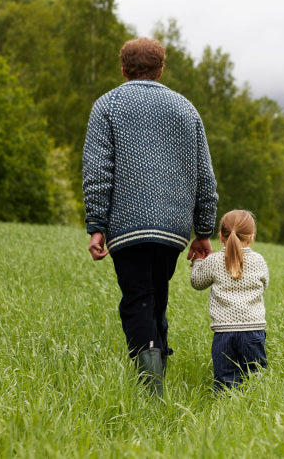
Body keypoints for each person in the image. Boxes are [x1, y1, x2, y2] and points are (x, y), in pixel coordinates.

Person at [83, 37, 218, 397]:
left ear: (123, 69)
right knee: (156, 296)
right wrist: (203, 229)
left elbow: (97, 172)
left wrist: (96, 226)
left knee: (138, 298)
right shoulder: (185, 109)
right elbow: (204, 175)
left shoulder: (106, 106)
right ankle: (158, 369)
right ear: (161, 69)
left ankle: (151, 390)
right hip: (173, 228)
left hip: (124, 226)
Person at [190, 209, 269, 392]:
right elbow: (263, 285)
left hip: (224, 334)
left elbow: (197, 282)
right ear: (250, 237)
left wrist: (198, 262)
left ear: (221, 237)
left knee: (226, 382)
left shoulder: (214, 261)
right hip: (253, 330)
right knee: (255, 378)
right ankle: (254, 411)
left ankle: (226, 414)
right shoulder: (258, 260)